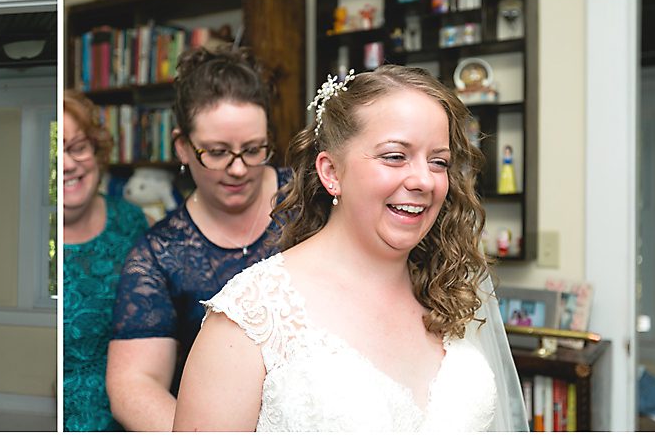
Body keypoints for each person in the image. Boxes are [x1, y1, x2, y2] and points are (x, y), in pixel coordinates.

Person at [173, 65, 526, 431]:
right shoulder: (251, 318)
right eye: (394, 156)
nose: (424, 180)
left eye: (439, 162)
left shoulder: (452, 291)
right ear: (331, 173)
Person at [107, 46, 293, 431]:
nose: (239, 168)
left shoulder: (312, 199)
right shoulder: (158, 254)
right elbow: (133, 383)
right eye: (218, 152)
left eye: (254, 149)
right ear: (182, 147)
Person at [61, 90, 147, 431]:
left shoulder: (132, 222)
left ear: (97, 153)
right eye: (59, 152)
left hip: (128, 411)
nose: (68, 164)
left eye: (79, 147)